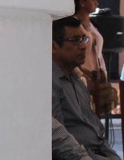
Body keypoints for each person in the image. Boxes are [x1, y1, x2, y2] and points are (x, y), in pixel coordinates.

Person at [51, 16, 121, 160]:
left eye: (84, 39)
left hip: (98, 151)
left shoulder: (77, 80)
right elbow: (56, 140)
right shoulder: (50, 82)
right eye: (75, 40)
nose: (83, 46)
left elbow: (96, 130)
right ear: (54, 46)